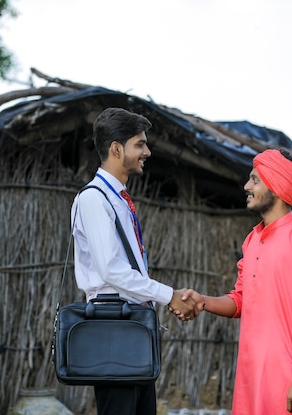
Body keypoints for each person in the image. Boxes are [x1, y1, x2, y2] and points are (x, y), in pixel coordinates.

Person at [179, 149, 292, 415]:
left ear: (277, 185)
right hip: (252, 383)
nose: (246, 186)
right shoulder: (251, 240)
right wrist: (203, 302)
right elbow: (240, 300)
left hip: (291, 388)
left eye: (255, 180)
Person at [70, 107, 197, 415]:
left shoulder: (119, 199)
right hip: (113, 326)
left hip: (132, 325)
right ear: (116, 149)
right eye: (139, 144)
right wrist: (170, 296)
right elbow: (111, 270)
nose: (147, 151)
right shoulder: (94, 198)